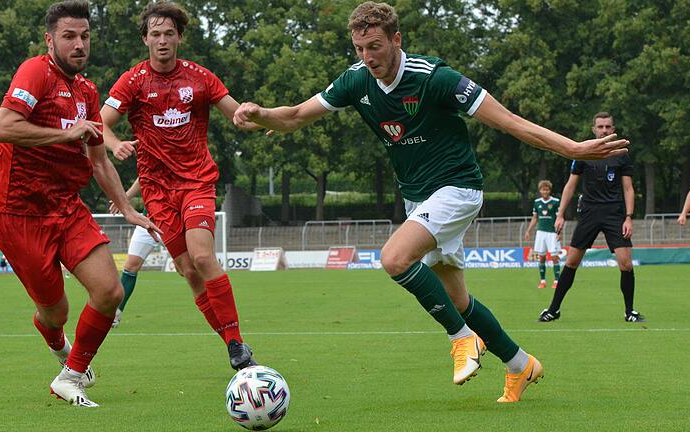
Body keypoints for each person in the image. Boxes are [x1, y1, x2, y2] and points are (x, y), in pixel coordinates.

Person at [234, 2, 629, 402]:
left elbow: (511, 122)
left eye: (375, 46)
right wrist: (261, 114)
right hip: (418, 198)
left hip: (457, 190)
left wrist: (574, 147)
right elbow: (297, 115)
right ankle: (520, 365)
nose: (367, 57)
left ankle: (462, 339)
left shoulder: (437, 79)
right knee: (457, 299)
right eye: (359, 49)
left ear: (396, 39)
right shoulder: (356, 81)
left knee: (394, 259)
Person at [0, 1, 161, 407]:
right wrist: (65, 135)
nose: (79, 43)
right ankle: (56, 340)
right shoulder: (35, 72)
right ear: (50, 40)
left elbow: (99, 160)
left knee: (109, 290)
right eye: (69, 36)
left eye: (84, 36)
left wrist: (127, 207)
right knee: (56, 312)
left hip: (66, 206)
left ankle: (71, 375)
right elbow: (4, 127)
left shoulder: (86, 90)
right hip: (18, 213)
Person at [100, 1, 262, 370]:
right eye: (155, 34)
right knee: (189, 271)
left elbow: (235, 112)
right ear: (145, 39)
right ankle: (232, 345)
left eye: (169, 34)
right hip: (157, 192)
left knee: (203, 257)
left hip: (197, 182)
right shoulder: (133, 81)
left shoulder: (200, 77)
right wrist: (115, 144)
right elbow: (100, 123)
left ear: (179, 38)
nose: (162, 41)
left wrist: (261, 117)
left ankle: (237, 342)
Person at [538, 112, 645, 323]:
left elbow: (628, 188)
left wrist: (629, 217)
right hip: (589, 213)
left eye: (608, 127)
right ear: (593, 129)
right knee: (571, 262)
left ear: (613, 129)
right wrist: (560, 214)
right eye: (600, 127)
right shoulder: (584, 153)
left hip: (615, 213)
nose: (604, 130)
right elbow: (570, 185)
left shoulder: (621, 154)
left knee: (626, 264)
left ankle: (629, 312)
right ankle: (554, 309)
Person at [107, 178, 160, 328]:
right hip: (148, 218)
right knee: (131, 266)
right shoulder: (150, 158)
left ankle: (215, 305)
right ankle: (116, 313)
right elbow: (142, 178)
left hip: (172, 218)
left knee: (186, 269)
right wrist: (123, 199)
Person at [524, 180, 562, 289]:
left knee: (554, 257)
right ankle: (543, 281)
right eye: (543, 189)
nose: (545, 191)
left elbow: (559, 218)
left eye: (547, 189)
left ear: (549, 190)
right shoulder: (537, 202)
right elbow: (535, 218)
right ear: (540, 191)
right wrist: (528, 231)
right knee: (541, 257)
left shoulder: (555, 202)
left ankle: (556, 281)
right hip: (540, 233)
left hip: (552, 233)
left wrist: (559, 232)